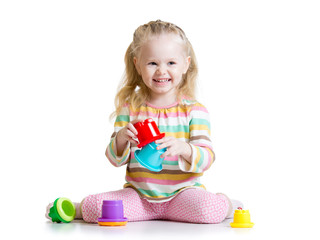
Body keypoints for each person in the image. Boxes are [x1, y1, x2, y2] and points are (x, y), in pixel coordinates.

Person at [46, 20, 242, 224]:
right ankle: (78, 208)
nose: (161, 71)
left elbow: (207, 157)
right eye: (152, 63)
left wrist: (184, 148)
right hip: (139, 198)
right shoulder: (130, 108)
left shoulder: (195, 110)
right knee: (97, 208)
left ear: (186, 64)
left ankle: (227, 204)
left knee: (209, 211)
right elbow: (114, 159)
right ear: (137, 64)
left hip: (183, 195)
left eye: (171, 63)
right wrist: (122, 139)